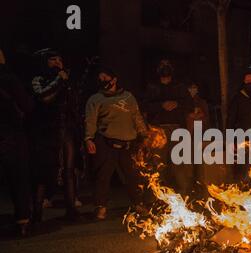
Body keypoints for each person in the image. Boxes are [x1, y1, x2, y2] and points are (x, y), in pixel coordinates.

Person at [85, 67, 149, 220]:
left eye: (105, 78)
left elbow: (137, 116)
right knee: (103, 176)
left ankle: (138, 203)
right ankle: (100, 207)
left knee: (132, 176)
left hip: (127, 143)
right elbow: (90, 121)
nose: (103, 81)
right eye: (100, 78)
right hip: (106, 143)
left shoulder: (128, 97)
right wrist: (88, 139)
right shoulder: (95, 99)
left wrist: (144, 135)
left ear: (114, 79)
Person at [30, 49, 82, 222]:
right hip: (46, 130)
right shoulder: (38, 79)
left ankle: (71, 211)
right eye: (53, 59)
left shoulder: (67, 81)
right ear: (45, 62)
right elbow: (44, 98)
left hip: (66, 128)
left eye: (60, 59)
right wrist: (59, 79)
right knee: (44, 171)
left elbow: (73, 103)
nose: (58, 62)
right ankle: (36, 214)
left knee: (69, 170)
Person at [143, 59, 194, 195]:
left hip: (177, 128)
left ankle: (183, 194)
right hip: (158, 130)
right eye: (162, 66)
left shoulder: (180, 87)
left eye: (167, 66)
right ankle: (159, 194)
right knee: (158, 163)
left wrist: (177, 104)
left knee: (179, 163)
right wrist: (161, 105)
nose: (165, 69)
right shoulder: (152, 87)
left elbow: (190, 105)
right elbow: (144, 106)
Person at [0, 48, 34, 236]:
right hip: (11, 134)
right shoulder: (9, 79)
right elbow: (27, 106)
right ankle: (22, 220)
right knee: (18, 179)